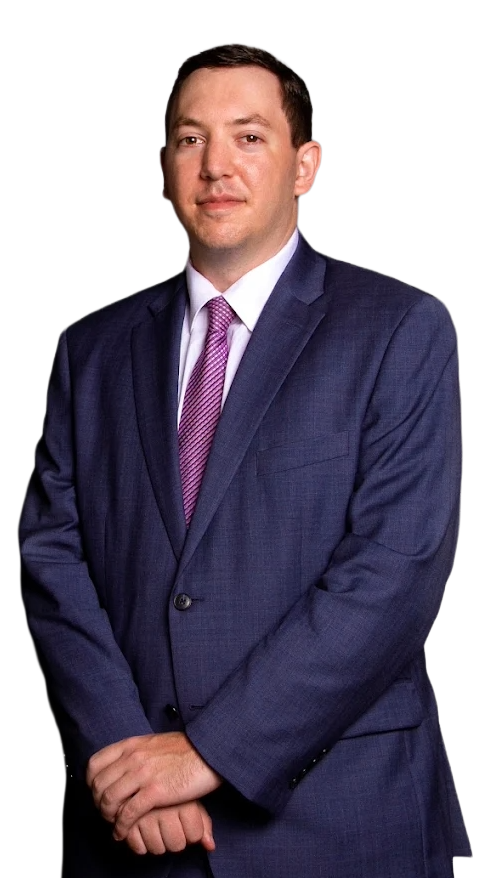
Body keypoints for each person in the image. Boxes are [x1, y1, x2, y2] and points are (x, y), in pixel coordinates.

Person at [18, 42, 471, 878]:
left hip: (338, 822)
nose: (216, 164)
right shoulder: (91, 349)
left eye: (249, 137)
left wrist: (206, 754)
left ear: (306, 165)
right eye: (190, 140)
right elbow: (52, 556)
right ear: (162, 169)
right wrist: (123, 755)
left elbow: (393, 574)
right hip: (129, 832)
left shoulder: (400, 329)